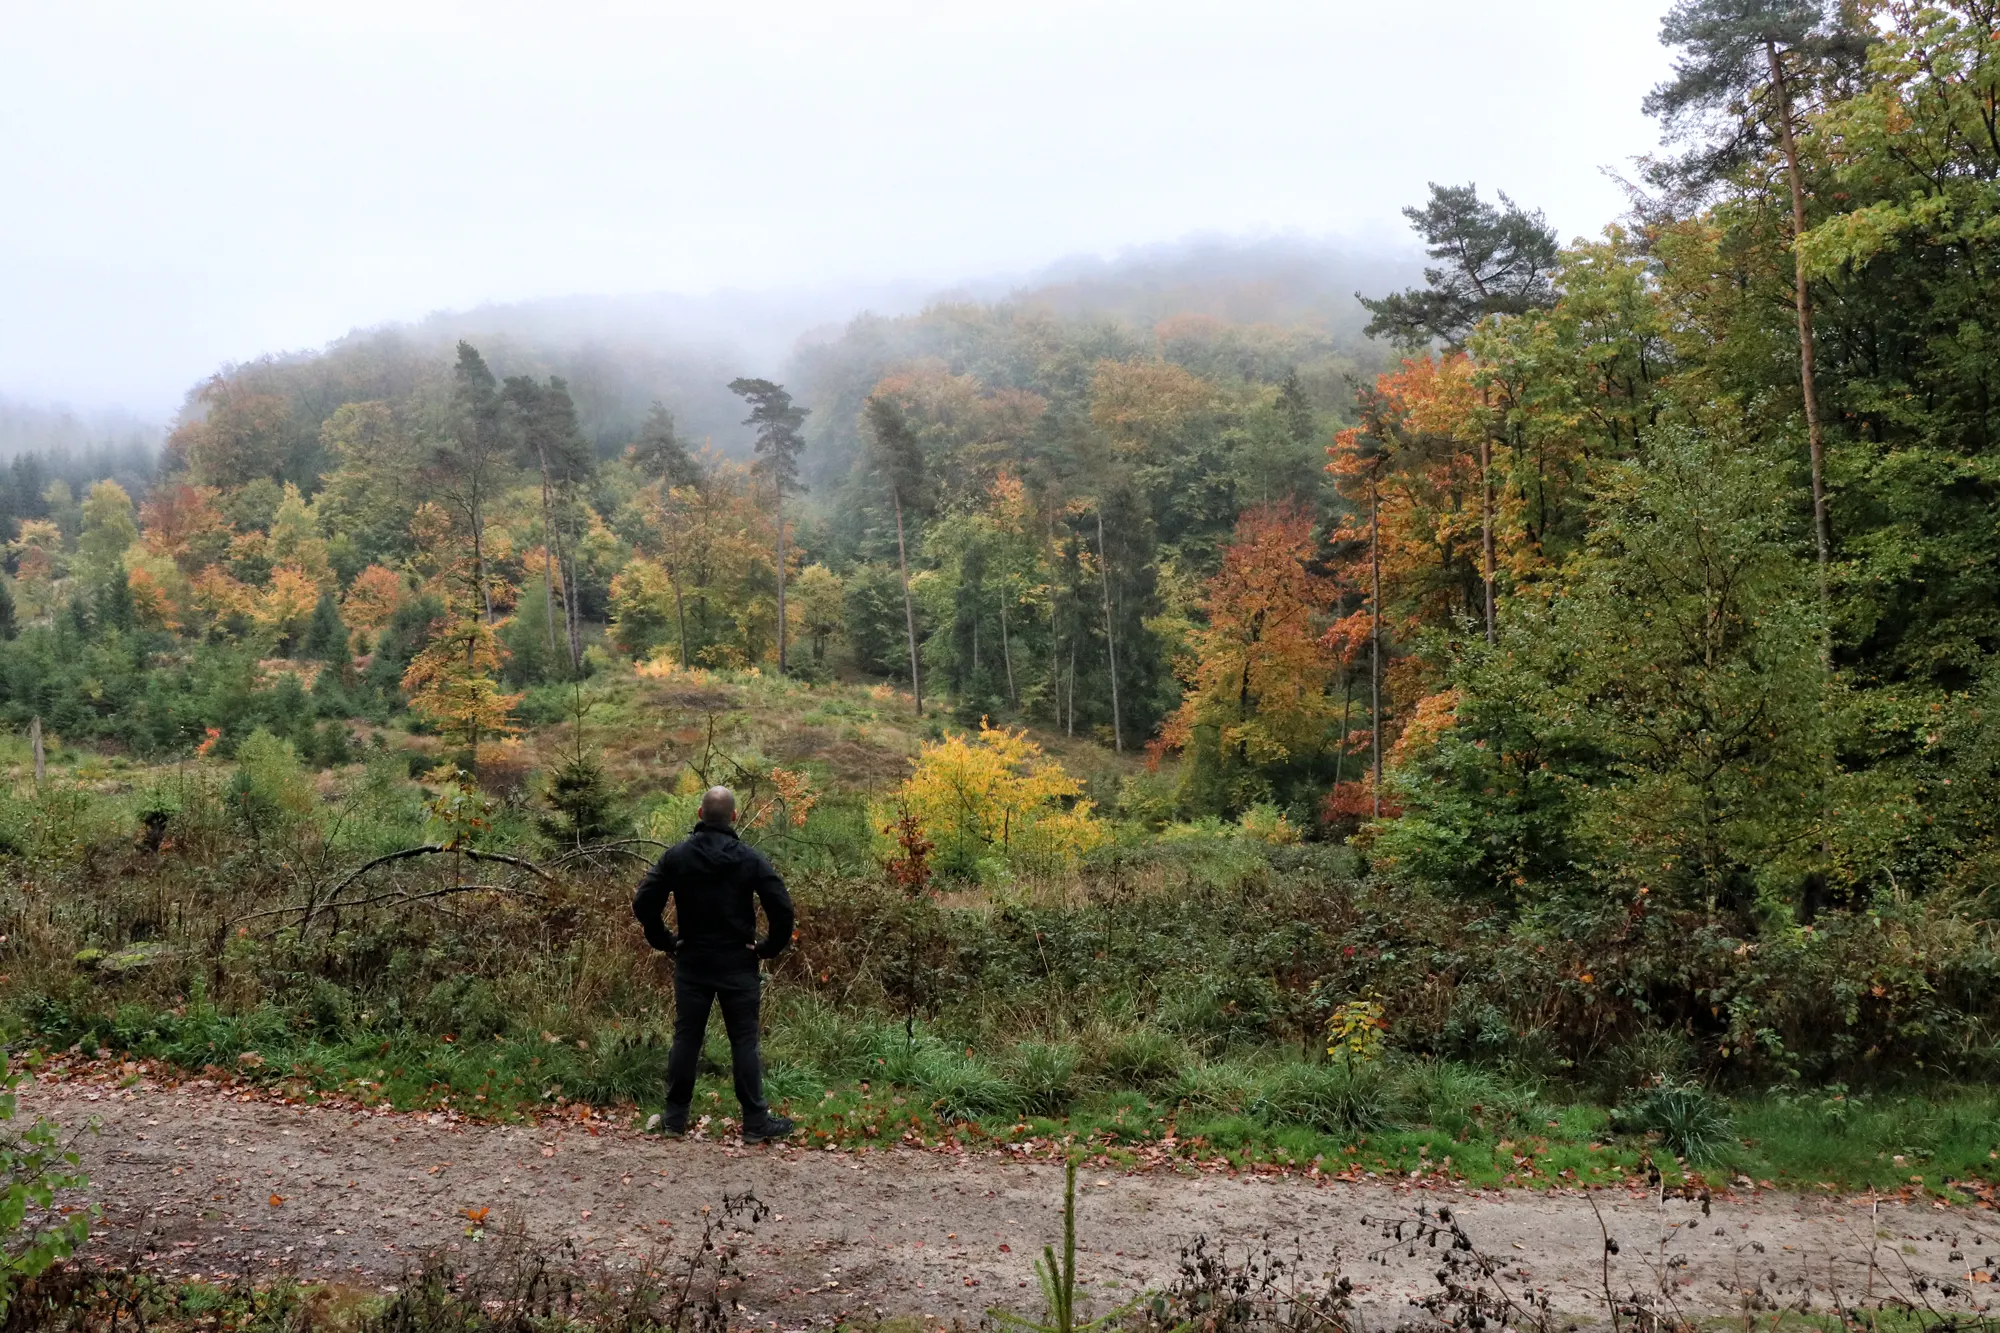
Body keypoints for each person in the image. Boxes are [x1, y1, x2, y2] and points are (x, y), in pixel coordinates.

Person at [632, 785, 796, 1142]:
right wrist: (767, 948)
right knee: (744, 1042)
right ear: (734, 817)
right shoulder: (749, 859)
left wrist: (666, 941)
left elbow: (643, 904)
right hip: (739, 964)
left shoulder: (676, 857)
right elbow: (783, 910)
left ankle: (674, 1119)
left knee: (687, 1038)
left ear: (700, 814)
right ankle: (755, 1123)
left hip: (692, 963)